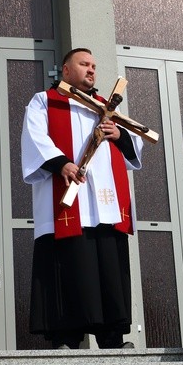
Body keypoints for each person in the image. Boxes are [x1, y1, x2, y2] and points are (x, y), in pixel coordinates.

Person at [21, 48, 143, 349]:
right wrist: (61, 162)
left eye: (93, 65)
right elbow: (35, 137)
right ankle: (65, 337)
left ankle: (112, 338)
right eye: (83, 64)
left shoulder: (106, 108)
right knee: (68, 268)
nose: (91, 70)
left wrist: (119, 134)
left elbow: (138, 141)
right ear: (65, 70)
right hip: (67, 197)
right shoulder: (45, 101)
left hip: (104, 202)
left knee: (108, 270)